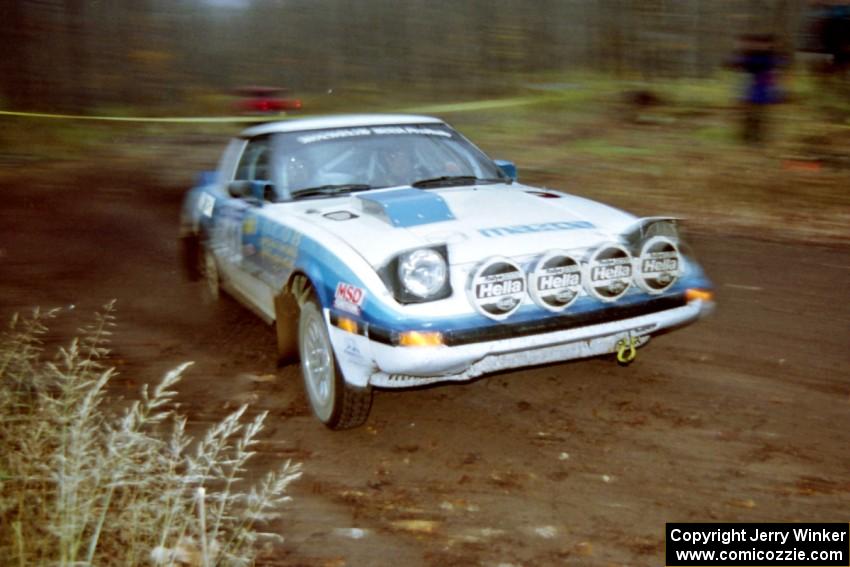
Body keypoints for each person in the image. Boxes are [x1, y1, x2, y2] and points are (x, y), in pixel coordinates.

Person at [732, 34, 785, 144]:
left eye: (767, 44)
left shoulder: (771, 57)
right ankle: (747, 138)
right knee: (749, 115)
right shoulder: (751, 55)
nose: (764, 46)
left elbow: (776, 71)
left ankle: (758, 138)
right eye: (762, 44)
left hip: (763, 89)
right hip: (752, 88)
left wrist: (776, 91)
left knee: (760, 116)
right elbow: (739, 65)